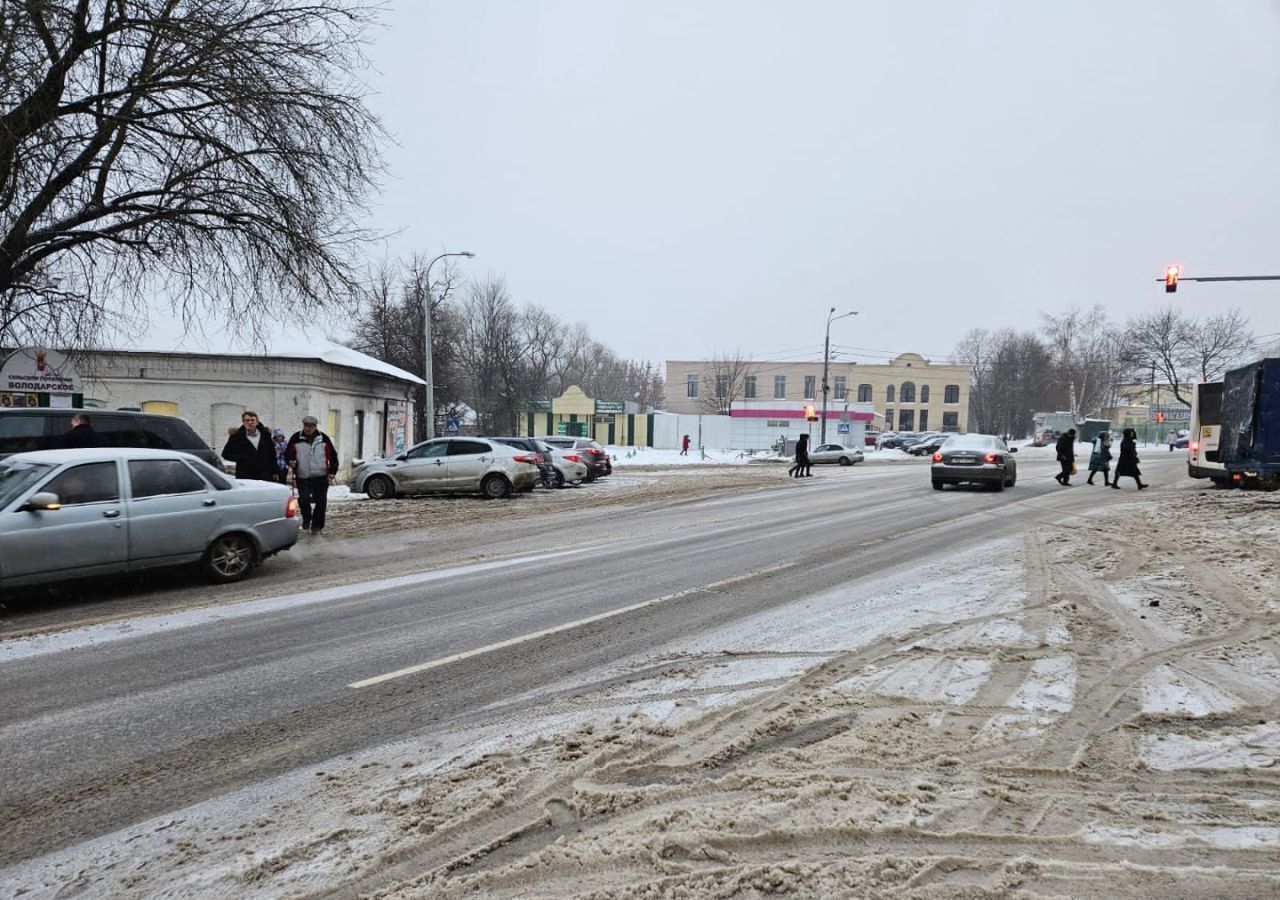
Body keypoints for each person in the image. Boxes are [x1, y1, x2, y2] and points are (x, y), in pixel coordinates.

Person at [286, 415, 338, 534]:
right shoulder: (296, 438)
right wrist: (290, 461)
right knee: (303, 499)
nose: (308, 428)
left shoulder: (323, 438)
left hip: (320, 476)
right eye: (306, 426)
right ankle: (307, 518)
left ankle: (317, 527)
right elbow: (288, 453)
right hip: (302, 475)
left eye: (310, 426)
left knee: (321, 503)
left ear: (315, 427)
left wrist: (332, 471)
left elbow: (333, 456)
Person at [222, 410, 278, 481]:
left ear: (257, 422)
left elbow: (272, 454)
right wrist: (242, 458)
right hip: (245, 475)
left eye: (252, 420)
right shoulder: (236, 437)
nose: (250, 422)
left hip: (265, 475)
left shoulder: (266, 435)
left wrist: (275, 471)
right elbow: (225, 454)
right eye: (247, 420)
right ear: (243, 422)